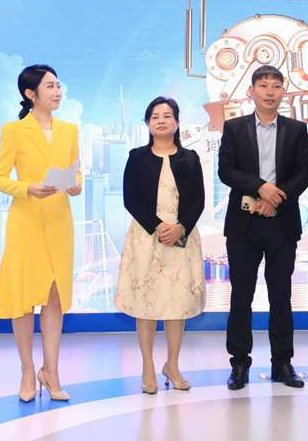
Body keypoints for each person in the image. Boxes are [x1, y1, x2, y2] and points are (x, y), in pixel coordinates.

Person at [218, 65, 308, 390]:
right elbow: (226, 171)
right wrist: (260, 188)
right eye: (263, 85)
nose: (270, 91)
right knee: (241, 297)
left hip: (282, 224)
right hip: (243, 225)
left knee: (281, 297)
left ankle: (282, 363)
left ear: (283, 92)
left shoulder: (296, 129)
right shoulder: (234, 128)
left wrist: (277, 197)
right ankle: (239, 364)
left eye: (275, 86)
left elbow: (305, 174)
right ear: (252, 91)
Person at [0, 64, 82, 403]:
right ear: (31, 94)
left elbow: (76, 171)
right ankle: (28, 371)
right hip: (26, 222)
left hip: (59, 222)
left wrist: (75, 185)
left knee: (55, 297)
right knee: (23, 298)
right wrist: (28, 188)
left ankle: (51, 372)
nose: (57, 92)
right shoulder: (14, 131)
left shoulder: (69, 130)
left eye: (58, 85)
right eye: (49, 86)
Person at [115, 96, 206, 395]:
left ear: (177, 122)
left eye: (167, 115)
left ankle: (173, 365)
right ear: (148, 123)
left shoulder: (190, 158)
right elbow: (130, 198)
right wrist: (157, 226)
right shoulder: (136, 157)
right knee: (146, 304)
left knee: (176, 305)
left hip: (181, 237)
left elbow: (198, 200)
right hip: (146, 237)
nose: (161, 120)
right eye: (155, 116)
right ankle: (147, 367)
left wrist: (180, 227)